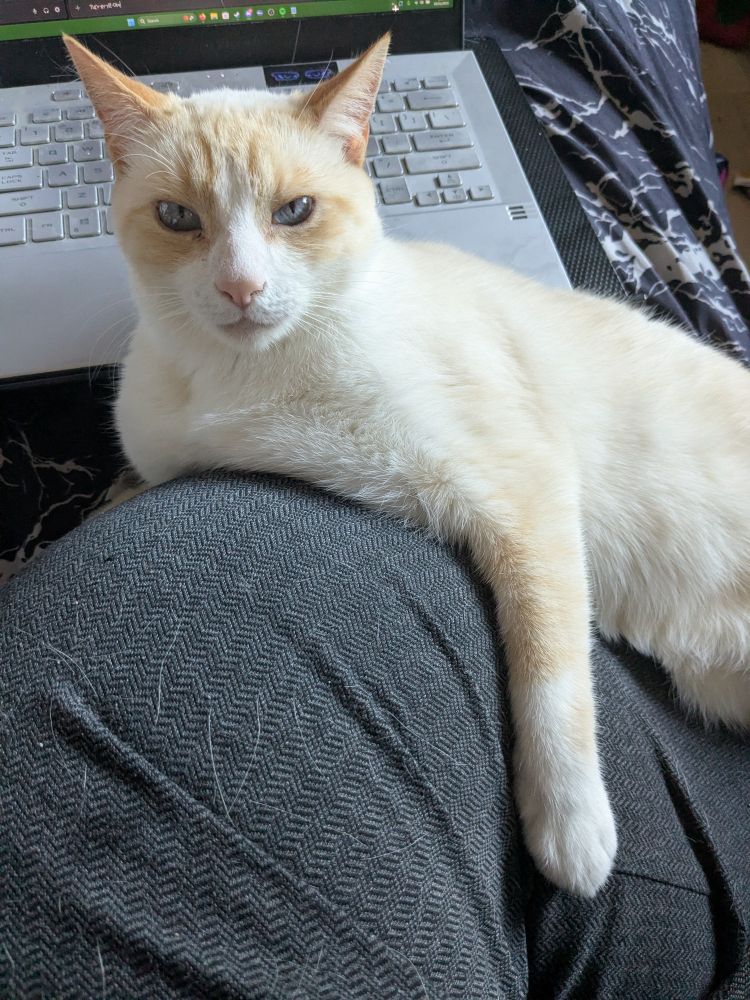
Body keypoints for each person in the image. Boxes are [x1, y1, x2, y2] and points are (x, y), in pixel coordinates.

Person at [2, 3, 749, 996]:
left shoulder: (384, 347)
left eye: (294, 211)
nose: (239, 278)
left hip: (711, 554)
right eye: (179, 220)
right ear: (123, 175)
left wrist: (561, 769)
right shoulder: (158, 394)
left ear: (353, 149)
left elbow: (526, 490)